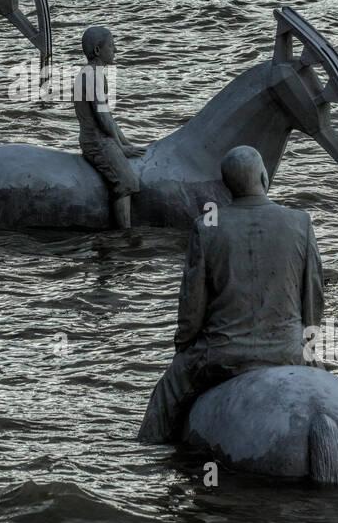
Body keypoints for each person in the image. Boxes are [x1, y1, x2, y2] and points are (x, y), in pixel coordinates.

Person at [138, 145, 325, 443]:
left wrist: (183, 346)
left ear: (227, 186)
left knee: (166, 394)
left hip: (224, 354)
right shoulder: (300, 222)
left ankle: (149, 457)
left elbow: (192, 306)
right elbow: (313, 294)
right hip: (288, 350)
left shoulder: (206, 228)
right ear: (264, 176)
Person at [72, 25, 143, 229]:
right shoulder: (92, 75)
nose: (115, 50)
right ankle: (124, 232)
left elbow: (108, 117)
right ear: (97, 51)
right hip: (96, 141)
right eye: (111, 45)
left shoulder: (91, 73)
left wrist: (125, 142)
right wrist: (120, 147)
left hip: (100, 137)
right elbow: (103, 118)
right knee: (127, 181)